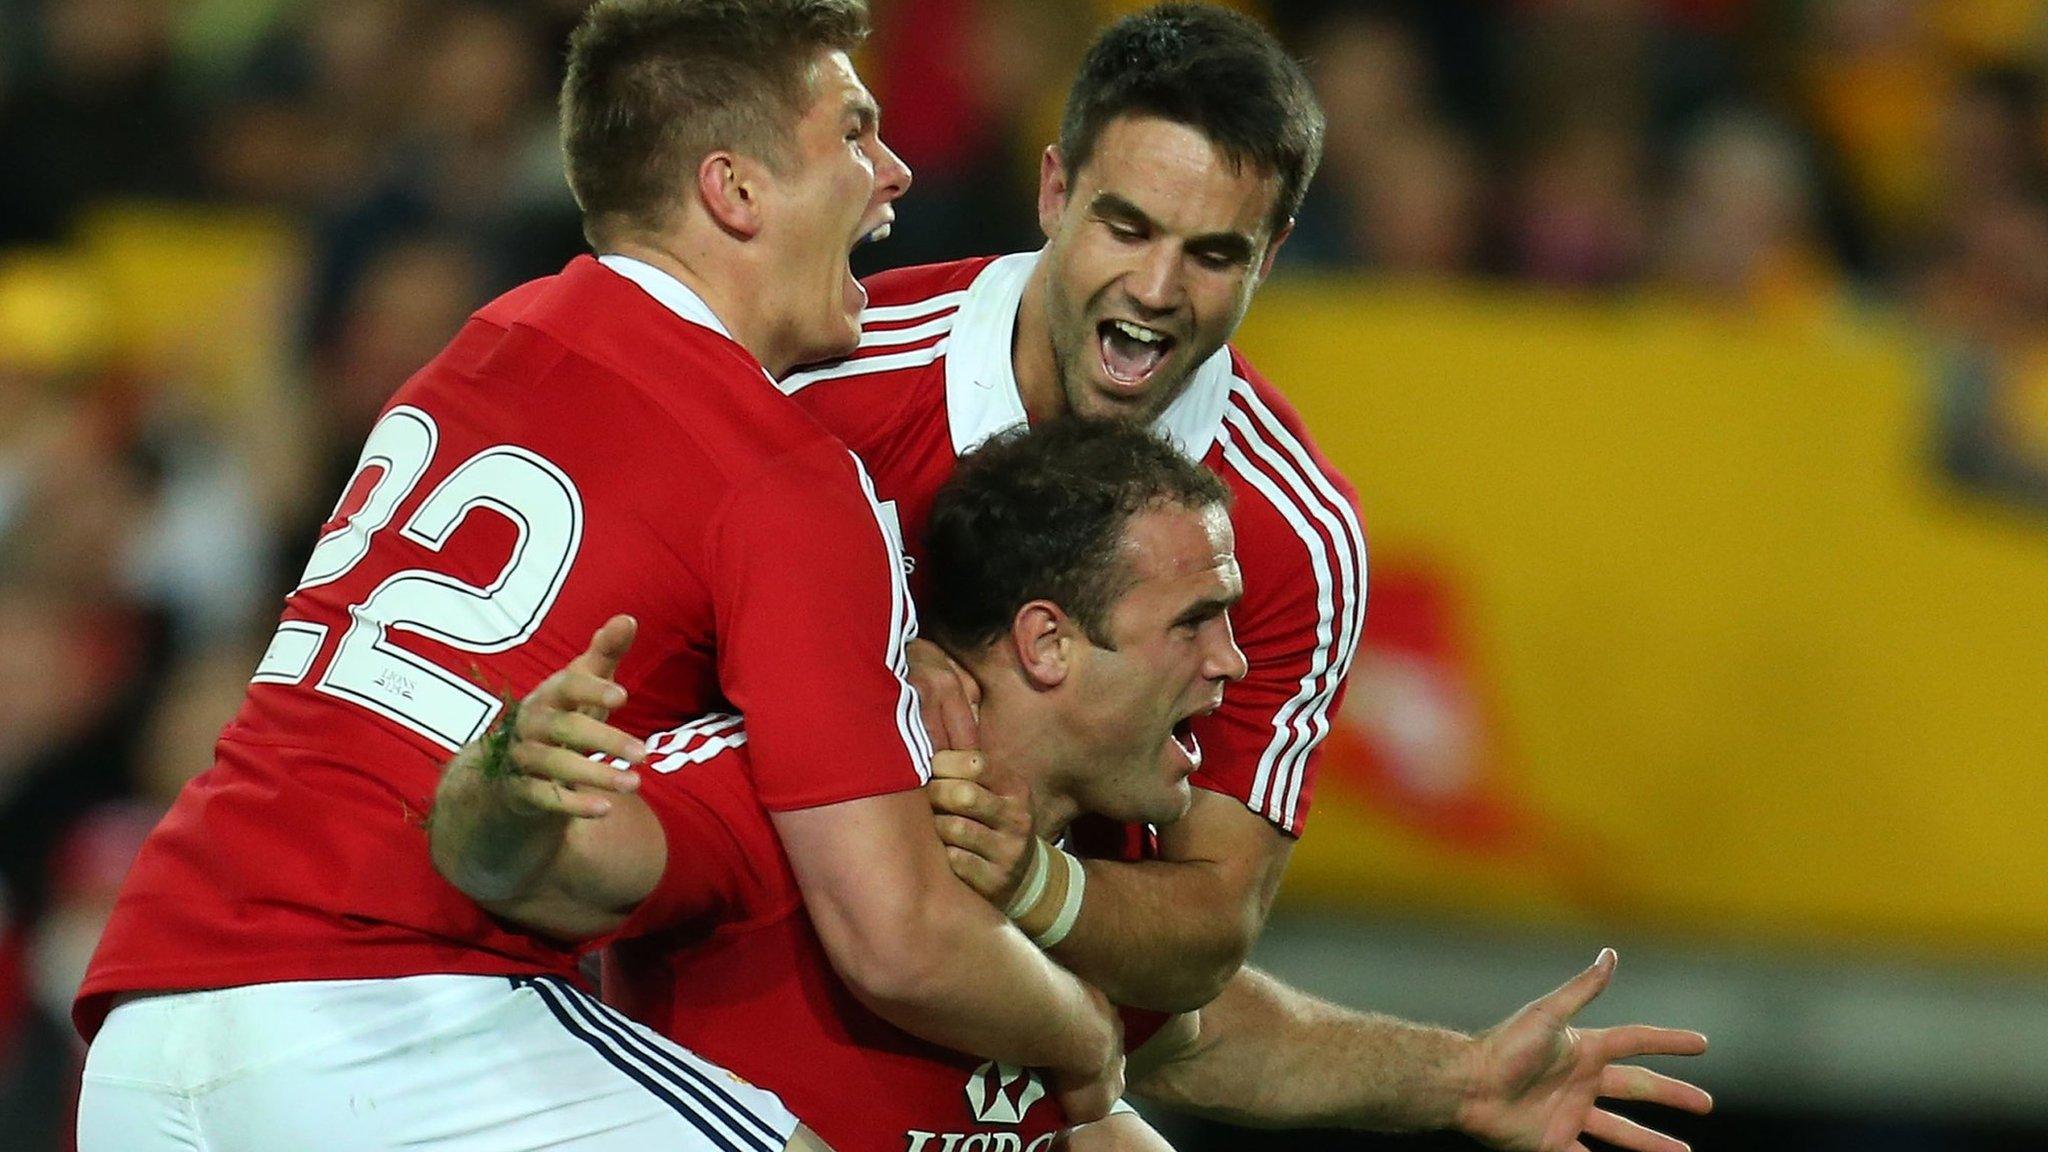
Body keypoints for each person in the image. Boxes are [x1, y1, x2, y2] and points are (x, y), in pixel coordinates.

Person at [71, 3, 1119, 1150]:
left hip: (144, 1030)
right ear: (735, 191)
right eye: (854, 132)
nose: (894, 170)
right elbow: (898, 936)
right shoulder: (778, 470)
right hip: (393, 1012)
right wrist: (1083, 1038)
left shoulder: (478, 346)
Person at [454, 418, 1711, 1152]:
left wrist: (1460, 1077)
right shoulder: (810, 787)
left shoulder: (1090, 856)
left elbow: (1209, 1038)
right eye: (1193, 623)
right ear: (1047, 644)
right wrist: (509, 776)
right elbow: (563, 863)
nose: (1230, 664)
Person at [777, 1, 1351, 1017]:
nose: (1156, 287)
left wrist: (1029, 881)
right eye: (1124, 226)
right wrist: (849, 645)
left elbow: (1209, 927)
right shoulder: (824, 392)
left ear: (1269, 255)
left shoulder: (1294, 538)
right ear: (1053, 190)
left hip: (1044, 1052)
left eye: (1213, 254)